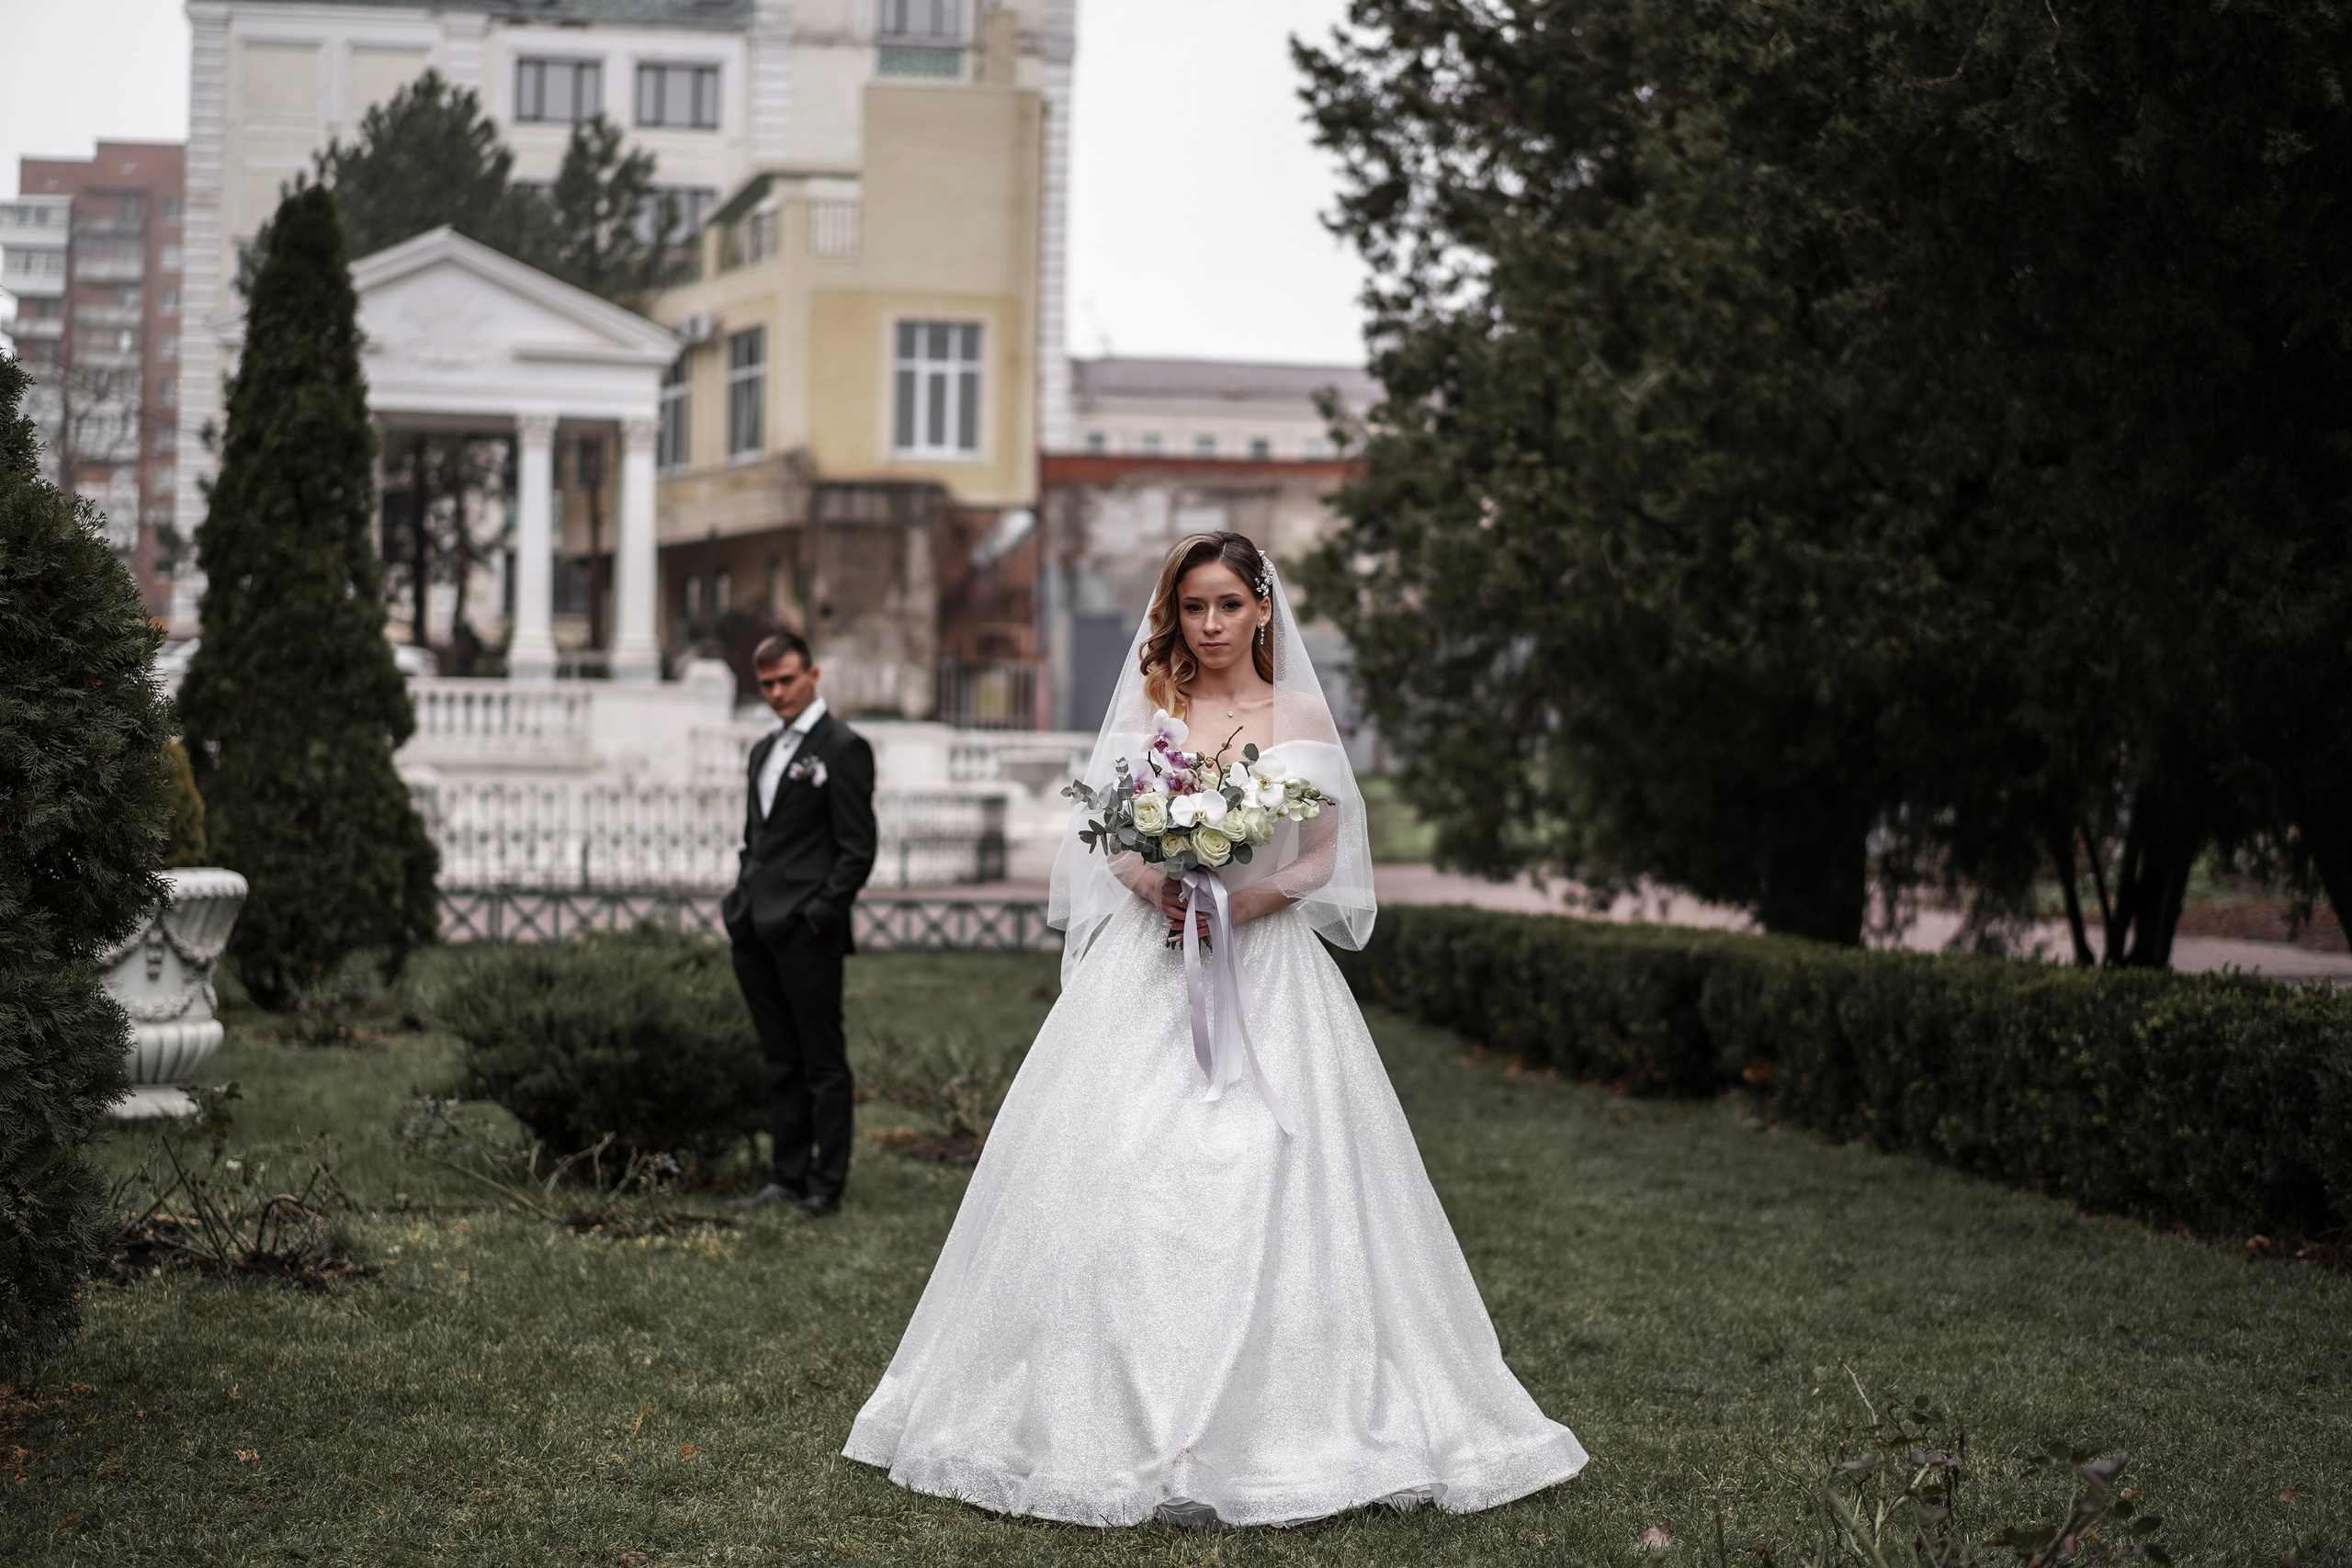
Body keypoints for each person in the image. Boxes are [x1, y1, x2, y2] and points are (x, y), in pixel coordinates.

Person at [843, 532, 1587, 1525]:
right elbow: (1106, 832)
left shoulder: (1302, 716)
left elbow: (1322, 856)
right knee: (1120, 1163)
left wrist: (1246, 902)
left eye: (1227, 606)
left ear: (1263, 609)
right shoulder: (1156, 710)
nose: (1208, 625)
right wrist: (1154, 878)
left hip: (1266, 969)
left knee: (1270, 1165)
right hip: (1148, 974)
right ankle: (1087, 1404)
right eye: (1192, 606)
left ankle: (1288, 1419)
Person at [724, 631, 877, 1218]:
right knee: (780, 1060)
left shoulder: (843, 748)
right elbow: (754, 841)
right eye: (766, 684)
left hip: (807, 930)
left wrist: (819, 913)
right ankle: (784, 1177)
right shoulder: (763, 752)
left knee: (821, 1061)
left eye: (787, 679)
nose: (777, 693)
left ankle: (824, 1185)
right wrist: (739, 900)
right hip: (752, 927)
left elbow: (857, 848)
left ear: (812, 675)